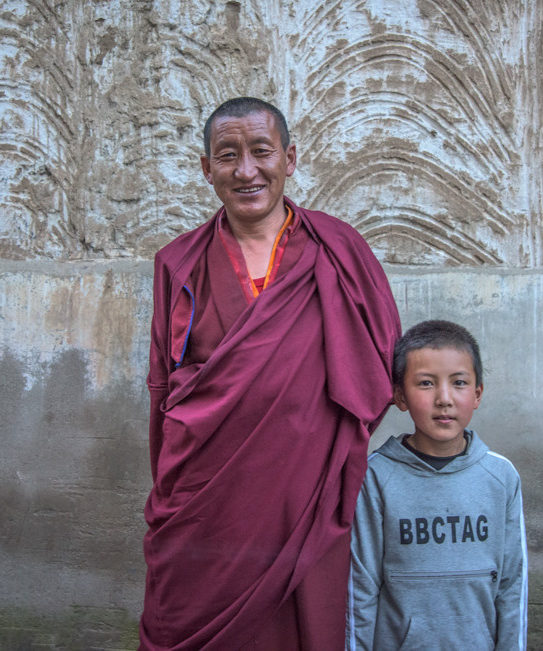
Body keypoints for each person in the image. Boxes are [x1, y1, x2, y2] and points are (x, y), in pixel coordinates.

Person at [140, 97, 400, 650]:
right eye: (227, 155)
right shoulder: (178, 262)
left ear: (290, 158)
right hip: (208, 496)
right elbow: (164, 385)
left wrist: (319, 443)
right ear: (206, 168)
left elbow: (379, 358)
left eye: (262, 151)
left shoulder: (338, 250)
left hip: (307, 489)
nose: (246, 170)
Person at [348, 320, 528, 650]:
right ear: (400, 396)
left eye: (459, 383)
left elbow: (511, 586)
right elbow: (360, 589)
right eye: (426, 384)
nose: (444, 399)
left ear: (477, 394)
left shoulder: (500, 477)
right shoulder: (374, 477)